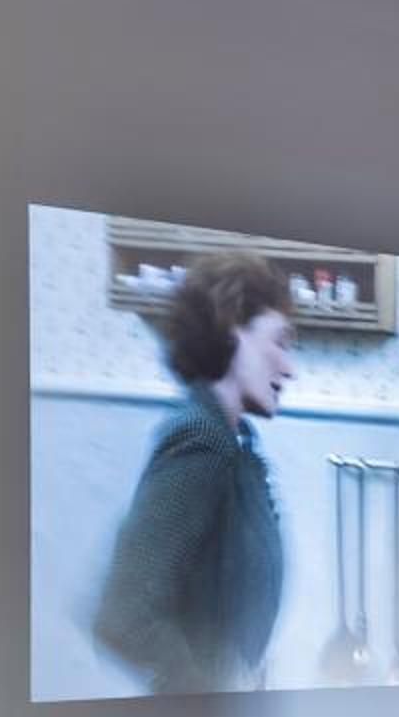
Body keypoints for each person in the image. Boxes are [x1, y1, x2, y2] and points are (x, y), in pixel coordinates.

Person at [94, 251, 297, 693]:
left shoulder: (236, 441)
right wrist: (207, 688)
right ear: (233, 331)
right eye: (280, 342)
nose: (289, 368)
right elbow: (123, 613)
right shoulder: (202, 440)